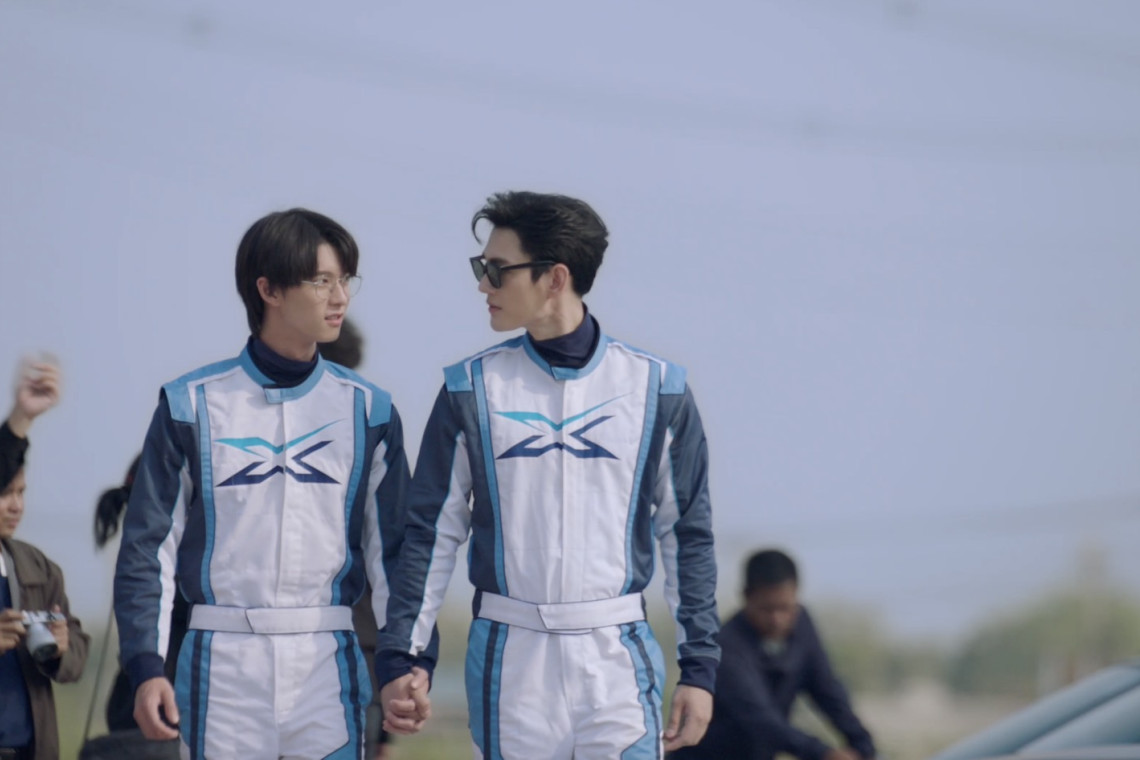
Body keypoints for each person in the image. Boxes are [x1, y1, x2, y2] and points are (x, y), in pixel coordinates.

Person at [378, 191, 720, 759]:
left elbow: (688, 535)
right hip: (510, 658)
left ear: (556, 277)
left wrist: (700, 668)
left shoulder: (659, 390)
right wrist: (403, 656)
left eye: (496, 270)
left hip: (616, 656)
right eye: (481, 268)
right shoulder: (470, 388)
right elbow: (430, 533)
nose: (483, 286)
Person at [114, 208, 412, 759]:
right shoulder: (190, 405)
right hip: (221, 660)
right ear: (268, 289)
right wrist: (146, 666)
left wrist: (406, 661)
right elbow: (148, 547)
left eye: (346, 280)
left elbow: (393, 552)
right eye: (321, 281)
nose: (340, 297)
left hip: (327, 658)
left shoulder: (369, 411)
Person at [673, 549, 877, 760]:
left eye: (785, 608)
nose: (777, 619)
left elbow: (827, 690)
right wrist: (824, 754)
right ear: (746, 596)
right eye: (767, 609)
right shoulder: (726, 647)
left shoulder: (802, 627)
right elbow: (759, 718)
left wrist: (864, 746)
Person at [1, 357, 90, 760]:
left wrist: (60, 648)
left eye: (21, 493)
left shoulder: (37, 569)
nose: (15, 505)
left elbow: (77, 655)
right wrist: (20, 420)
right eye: (4, 493)